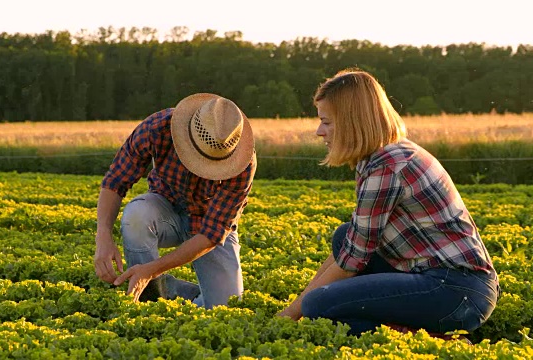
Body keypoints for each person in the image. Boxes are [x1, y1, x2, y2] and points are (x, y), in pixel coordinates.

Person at [277, 69, 499, 339]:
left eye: (327, 122)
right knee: (342, 238)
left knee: (318, 306)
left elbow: (350, 265)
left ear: (351, 122)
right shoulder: (377, 157)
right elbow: (352, 248)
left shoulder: (387, 166)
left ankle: (433, 338)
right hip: (448, 283)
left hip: (456, 292)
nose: (319, 132)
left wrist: (292, 312)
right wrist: (299, 304)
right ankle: (417, 328)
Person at [94, 93, 257, 309]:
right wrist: (103, 235)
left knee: (224, 306)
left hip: (206, 225)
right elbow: (116, 180)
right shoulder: (158, 128)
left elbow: (212, 233)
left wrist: (153, 269)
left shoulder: (242, 164)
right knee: (136, 216)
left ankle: (170, 289)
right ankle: (149, 295)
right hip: (164, 209)